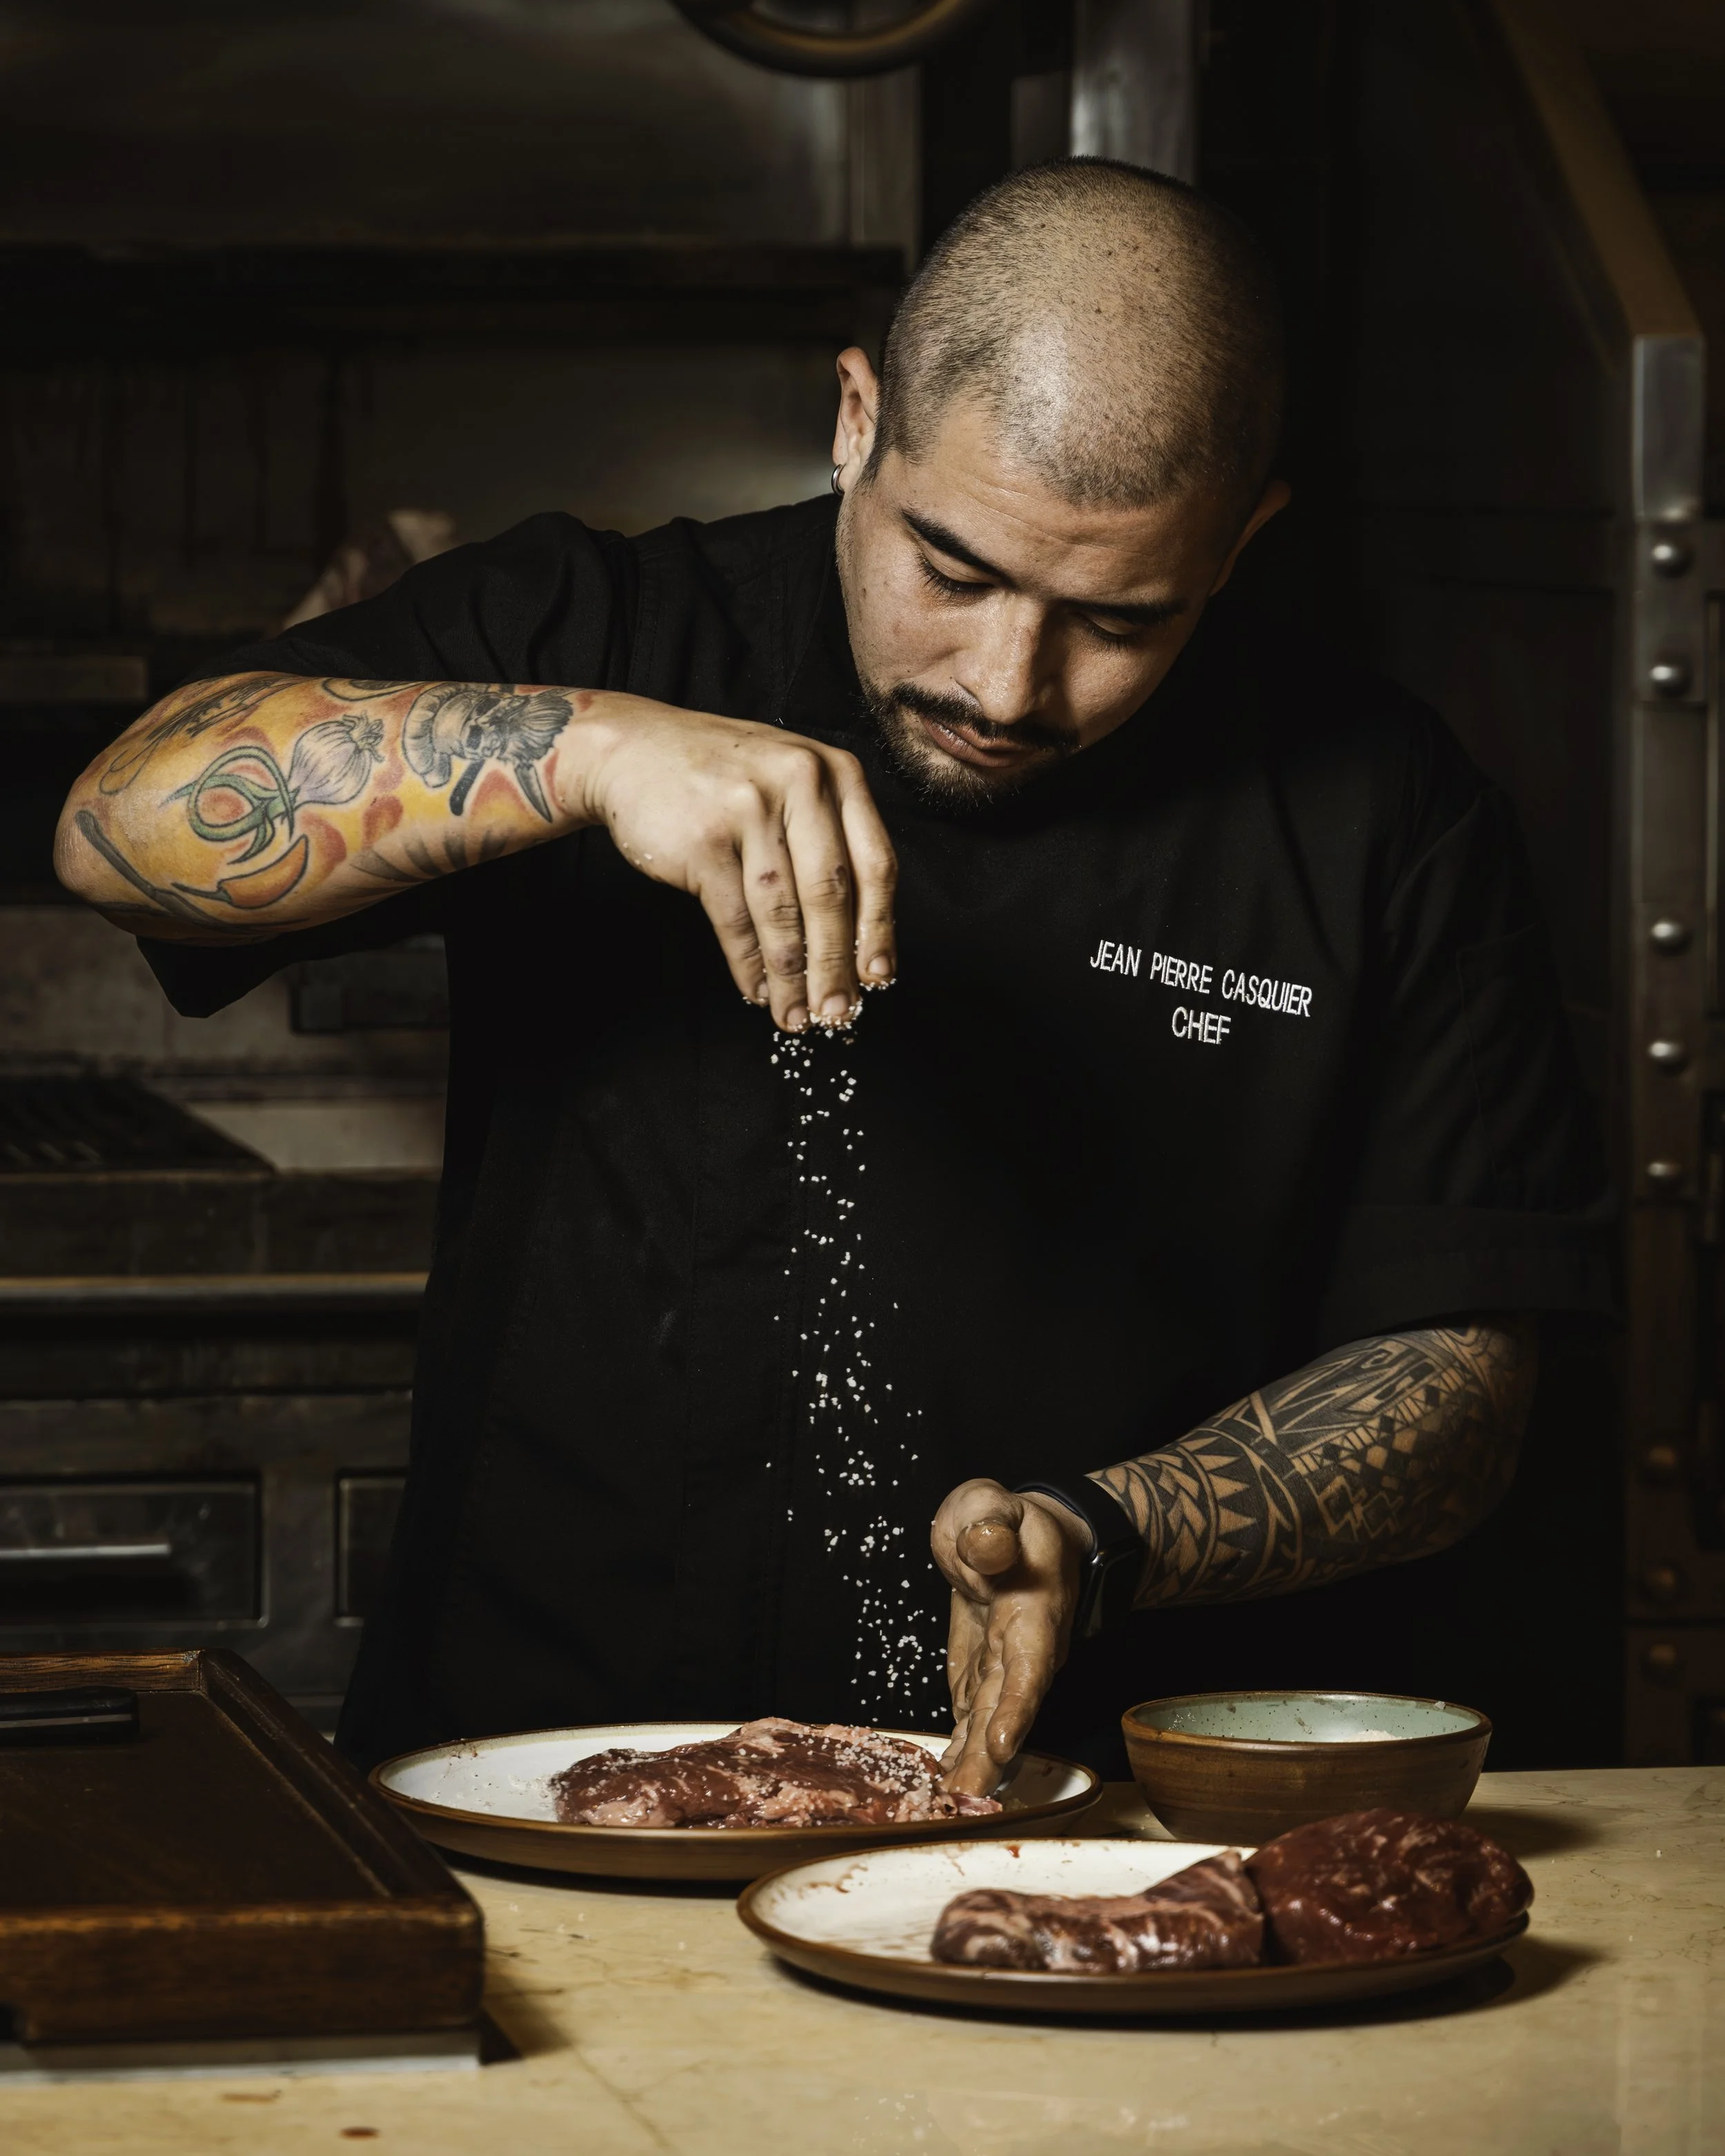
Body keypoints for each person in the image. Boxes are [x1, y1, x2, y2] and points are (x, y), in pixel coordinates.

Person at [55, 161, 1606, 1790]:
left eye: (1120, 619)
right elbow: (118, 821)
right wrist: (580, 752)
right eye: (952, 569)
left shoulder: (1385, 814)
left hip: (1086, 1828)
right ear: (856, 421)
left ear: (1243, 540)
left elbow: (1460, 1372)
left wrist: (1114, 1530)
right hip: (534, 1777)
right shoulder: (612, 625)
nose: (1007, 684)